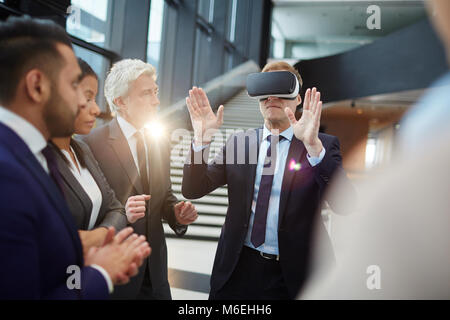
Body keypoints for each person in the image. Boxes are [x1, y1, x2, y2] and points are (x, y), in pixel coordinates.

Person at [300, 0, 450, 299]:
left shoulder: (424, 153)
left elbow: (346, 206)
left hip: (297, 271)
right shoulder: (424, 127)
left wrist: (314, 149)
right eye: (266, 97)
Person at [0, 16, 151, 299]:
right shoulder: (6, 173)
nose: (84, 104)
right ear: (36, 86)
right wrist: (99, 273)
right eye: (73, 86)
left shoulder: (31, 155)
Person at [182, 61, 354, 299]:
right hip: (236, 270)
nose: (272, 95)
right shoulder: (239, 143)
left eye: (282, 87)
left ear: (298, 99)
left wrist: (313, 147)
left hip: (292, 276)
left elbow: (345, 205)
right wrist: (201, 140)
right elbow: (193, 188)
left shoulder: (320, 145)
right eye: (265, 88)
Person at [83, 59, 198, 299]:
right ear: (120, 102)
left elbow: (163, 195)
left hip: (156, 274)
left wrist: (176, 212)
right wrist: (122, 213)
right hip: (117, 275)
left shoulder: (158, 141)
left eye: (155, 92)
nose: (156, 101)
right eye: (146, 94)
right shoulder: (91, 144)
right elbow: (87, 212)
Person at [50, 58, 149, 256]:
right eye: (87, 98)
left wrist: (94, 238)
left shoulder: (81, 149)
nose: (96, 109)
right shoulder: (35, 158)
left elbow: (117, 209)